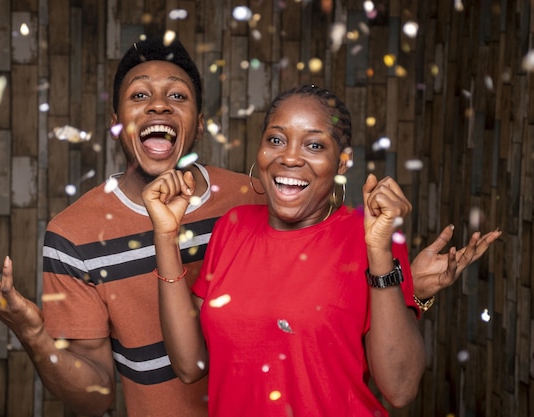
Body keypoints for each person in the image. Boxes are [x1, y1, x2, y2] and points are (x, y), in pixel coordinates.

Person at [0, 38, 501, 417]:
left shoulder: (262, 197)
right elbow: (117, 389)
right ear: (118, 119)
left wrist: (405, 287)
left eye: (177, 95)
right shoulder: (78, 233)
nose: (158, 103)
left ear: (197, 121)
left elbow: (363, 334)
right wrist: (34, 333)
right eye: (139, 94)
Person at [143, 85, 428, 415]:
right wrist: (165, 236)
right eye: (276, 140)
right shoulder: (232, 227)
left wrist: (379, 252)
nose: (290, 157)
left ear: (342, 163)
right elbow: (190, 366)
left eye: (314, 145)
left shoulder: (370, 235)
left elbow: (401, 388)